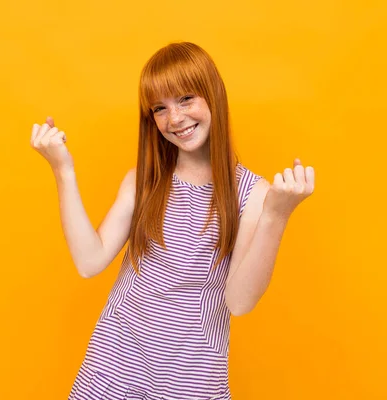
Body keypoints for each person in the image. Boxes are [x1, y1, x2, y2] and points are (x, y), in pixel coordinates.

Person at [30, 42, 315, 400]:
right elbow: (89, 262)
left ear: (213, 95)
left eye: (185, 99)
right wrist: (63, 171)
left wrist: (276, 215)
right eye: (159, 108)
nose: (174, 119)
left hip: (191, 382)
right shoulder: (144, 180)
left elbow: (239, 302)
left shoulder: (252, 193)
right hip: (113, 368)